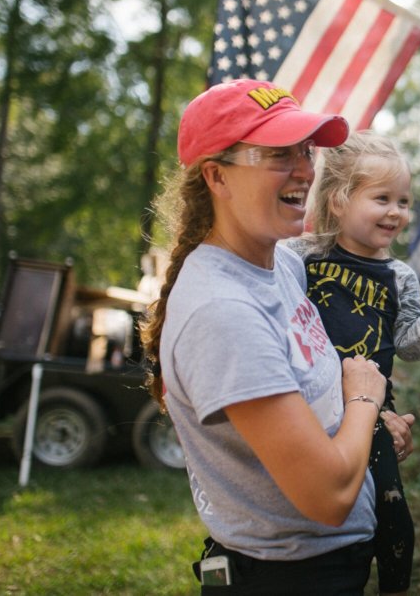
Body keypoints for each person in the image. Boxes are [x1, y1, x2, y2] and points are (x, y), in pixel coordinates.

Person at [140, 79, 404, 594]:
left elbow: (306, 395)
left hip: (324, 565)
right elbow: (328, 496)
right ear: (217, 176)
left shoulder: (280, 263)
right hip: (290, 577)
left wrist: (365, 424)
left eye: (305, 151)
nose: (305, 169)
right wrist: (365, 400)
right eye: (279, 154)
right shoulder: (223, 311)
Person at [289, 130, 420, 596]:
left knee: (392, 513)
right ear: (339, 200)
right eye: (382, 199)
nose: (396, 212)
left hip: (373, 409)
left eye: (404, 202)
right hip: (310, 403)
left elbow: (408, 345)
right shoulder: (300, 257)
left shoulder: (399, 276)